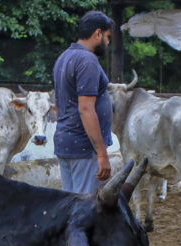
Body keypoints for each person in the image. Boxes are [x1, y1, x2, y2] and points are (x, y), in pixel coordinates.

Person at [52, 11, 114, 194]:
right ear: (98, 34)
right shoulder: (88, 60)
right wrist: (101, 153)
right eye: (108, 37)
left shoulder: (64, 57)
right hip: (84, 148)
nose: (108, 43)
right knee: (86, 208)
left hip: (66, 143)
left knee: (72, 205)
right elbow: (86, 109)